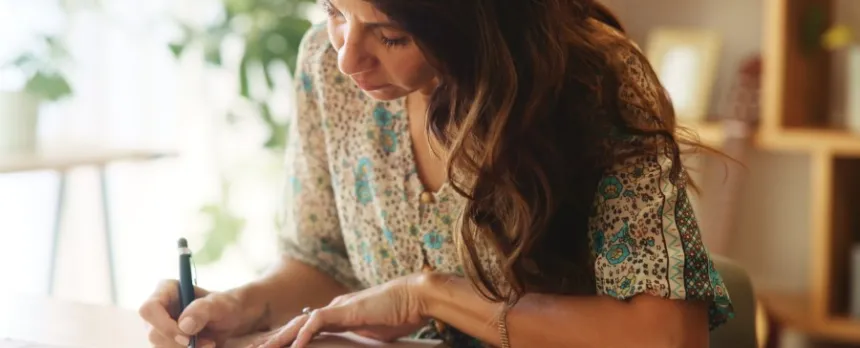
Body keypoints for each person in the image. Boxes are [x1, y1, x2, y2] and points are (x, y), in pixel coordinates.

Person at [139, 0, 735, 347]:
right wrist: (244, 305)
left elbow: (667, 334)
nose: (348, 56)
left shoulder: (592, 80)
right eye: (334, 10)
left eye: (390, 34)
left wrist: (430, 295)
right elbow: (323, 263)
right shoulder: (325, 65)